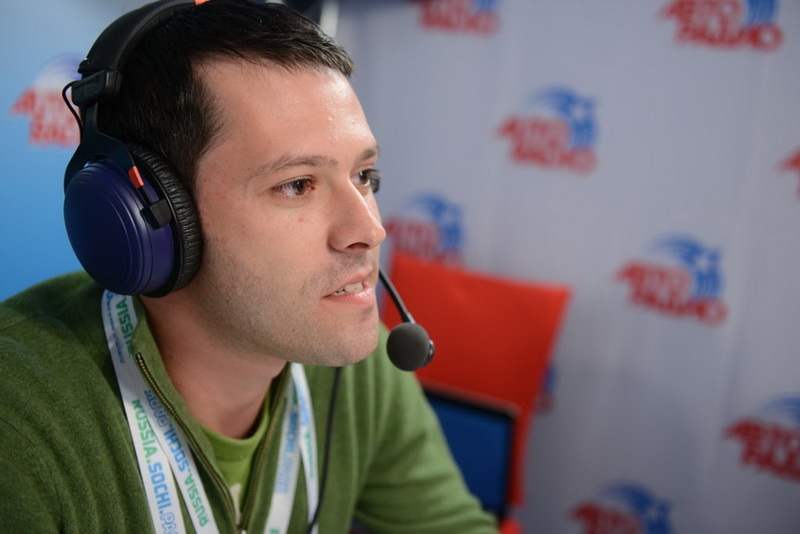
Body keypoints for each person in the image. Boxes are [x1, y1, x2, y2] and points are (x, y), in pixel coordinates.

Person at [0, 1, 498, 532]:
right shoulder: (19, 424)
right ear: (153, 221)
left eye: (364, 177)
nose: (370, 230)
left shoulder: (355, 367)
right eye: (297, 185)